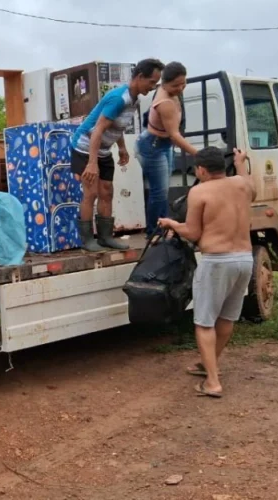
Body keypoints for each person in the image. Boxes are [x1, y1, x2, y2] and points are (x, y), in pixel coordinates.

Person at [157, 147, 255, 398]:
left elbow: (192, 232)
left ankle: (212, 382)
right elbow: (250, 187)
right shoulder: (242, 185)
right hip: (245, 259)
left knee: (204, 322)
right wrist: (240, 162)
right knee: (226, 318)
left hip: (217, 261)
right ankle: (207, 364)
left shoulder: (199, 191)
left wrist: (172, 224)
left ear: (201, 169)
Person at [71, 58, 164, 252]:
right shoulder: (119, 99)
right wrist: (92, 163)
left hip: (103, 150)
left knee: (107, 191)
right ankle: (87, 240)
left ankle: (105, 237)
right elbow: (98, 130)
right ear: (140, 77)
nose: (153, 87)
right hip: (85, 147)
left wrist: (121, 147)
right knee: (91, 193)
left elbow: (116, 125)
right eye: (151, 82)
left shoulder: (135, 100)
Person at [136, 61, 198, 237]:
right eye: (175, 85)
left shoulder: (172, 93)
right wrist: (198, 154)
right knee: (159, 191)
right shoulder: (165, 102)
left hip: (163, 143)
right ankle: (154, 231)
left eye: (183, 83)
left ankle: (163, 227)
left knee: (163, 189)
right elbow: (175, 135)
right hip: (153, 145)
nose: (180, 88)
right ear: (164, 83)